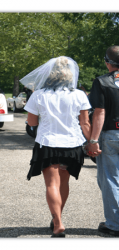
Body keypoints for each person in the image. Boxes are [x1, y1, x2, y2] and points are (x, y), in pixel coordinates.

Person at [21, 56, 92, 238]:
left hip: (48, 143)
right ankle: (57, 218)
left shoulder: (39, 94)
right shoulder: (79, 95)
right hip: (72, 144)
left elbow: (31, 122)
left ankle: (58, 222)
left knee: (52, 184)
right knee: (64, 182)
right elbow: (85, 123)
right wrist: (92, 142)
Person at [86, 45, 119, 236]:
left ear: (107, 62)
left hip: (110, 134)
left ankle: (114, 224)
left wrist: (93, 140)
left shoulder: (101, 82)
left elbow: (99, 113)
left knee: (110, 180)